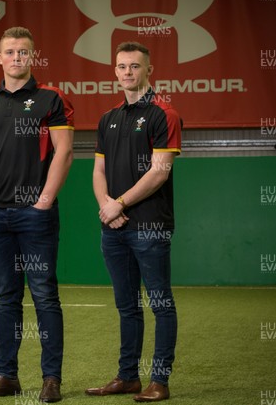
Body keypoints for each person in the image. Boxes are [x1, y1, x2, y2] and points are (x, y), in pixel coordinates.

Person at [0, 26, 74, 403]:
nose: (17, 58)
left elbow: (64, 152)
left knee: (45, 296)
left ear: (33, 57)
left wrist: (44, 201)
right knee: (6, 297)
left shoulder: (51, 99)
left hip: (36, 215)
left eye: (23, 52)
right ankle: (7, 376)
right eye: (10, 52)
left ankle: (51, 379)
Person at [86, 42, 181, 402]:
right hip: (114, 228)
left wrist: (120, 203)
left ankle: (159, 380)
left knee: (160, 303)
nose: (128, 72)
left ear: (149, 70)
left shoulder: (164, 114)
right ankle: (128, 377)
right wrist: (106, 205)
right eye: (122, 66)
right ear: (115, 71)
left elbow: (159, 172)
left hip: (150, 227)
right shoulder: (108, 118)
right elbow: (98, 170)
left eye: (135, 66)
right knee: (127, 305)